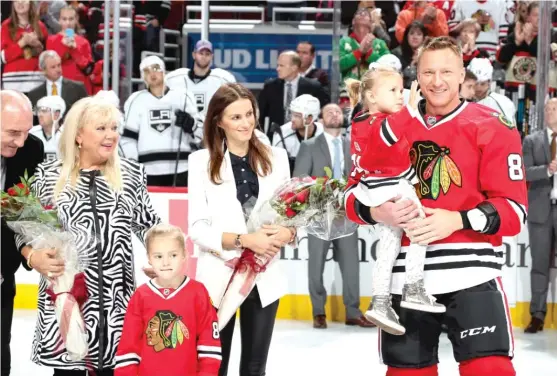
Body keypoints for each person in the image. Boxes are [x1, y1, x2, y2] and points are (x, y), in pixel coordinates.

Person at [345, 36, 526, 376]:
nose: (437, 81)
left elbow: (515, 211)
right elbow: (351, 196)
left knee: (490, 369)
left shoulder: (492, 126)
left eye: (446, 71)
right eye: (428, 72)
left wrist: (457, 220)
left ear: (462, 75)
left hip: (471, 274)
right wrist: (376, 212)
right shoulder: (386, 124)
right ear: (416, 76)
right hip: (402, 279)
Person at [16, 96, 162, 375]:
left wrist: (162, 256)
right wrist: (33, 256)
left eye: (114, 128)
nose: (111, 135)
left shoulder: (130, 175)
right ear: (79, 135)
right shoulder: (48, 176)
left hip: (117, 310)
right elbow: (23, 231)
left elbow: (149, 225)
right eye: (101, 128)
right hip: (66, 305)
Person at [188, 83, 294, 376]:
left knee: (255, 367)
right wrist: (244, 240)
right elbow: (197, 229)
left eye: (249, 114)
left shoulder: (278, 158)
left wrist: (289, 233)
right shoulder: (199, 163)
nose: (246, 122)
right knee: (214, 365)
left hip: (263, 276)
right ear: (218, 121)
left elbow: (292, 216)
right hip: (218, 280)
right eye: (236, 117)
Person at [345, 68, 445, 335]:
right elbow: (387, 135)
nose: (400, 96)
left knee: (389, 245)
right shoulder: (371, 122)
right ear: (371, 96)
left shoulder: (369, 117)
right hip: (386, 187)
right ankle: (412, 288)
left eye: (401, 90)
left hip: (385, 186)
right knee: (421, 229)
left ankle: (380, 301)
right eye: (393, 91)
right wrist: (411, 109)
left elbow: (401, 145)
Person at [293, 103, 375, 329]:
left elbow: (362, 177)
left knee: (351, 266)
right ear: (320, 118)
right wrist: (317, 198)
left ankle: (353, 311)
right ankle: (318, 311)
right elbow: (300, 180)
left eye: (338, 111)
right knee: (316, 264)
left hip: (346, 215)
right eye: (329, 111)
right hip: (319, 215)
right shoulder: (309, 146)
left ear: (343, 117)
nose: (334, 114)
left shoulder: (353, 146)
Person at [115, 224, 221, 375]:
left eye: (173, 255)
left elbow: (210, 347)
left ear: (184, 254)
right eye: (158, 256)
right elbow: (128, 349)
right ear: (149, 258)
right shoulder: (140, 296)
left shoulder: (198, 293)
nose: (165, 262)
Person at [1, 90, 44, 376]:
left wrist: (32, 251)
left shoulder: (31, 149)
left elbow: (22, 212)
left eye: (26, 132)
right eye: (13, 132)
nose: (20, 141)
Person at [121, 55, 202, 187]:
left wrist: (191, 125)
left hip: (181, 170)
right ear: (143, 76)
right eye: (147, 71)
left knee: (179, 208)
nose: (152, 73)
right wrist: (134, 168)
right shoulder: (135, 100)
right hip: (148, 172)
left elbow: (201, 134)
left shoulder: (183, 97)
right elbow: (128, 139)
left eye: (155, 68)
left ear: (163, 71)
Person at [522, 98, 557, 334]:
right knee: (540, 265)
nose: (549, 112)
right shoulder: (531, 140)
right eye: (547, 109)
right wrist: (547, 169)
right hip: (540, 210)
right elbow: (523, 172)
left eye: (554, 108)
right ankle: (537, 314)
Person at [165, 40, 235, 118]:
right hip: (183, 128)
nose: (203, 57)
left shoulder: (222, 79)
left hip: (210, 128)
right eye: (201, 53)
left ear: (212, 56)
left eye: (207, 54)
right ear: (194, 55)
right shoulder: (175, 78)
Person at [467, 57, 516, 125]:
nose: (478, 88)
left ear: (489, 82)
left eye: (482, 84)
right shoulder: (464, 101)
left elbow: (509, 131)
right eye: (476, 84)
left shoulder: (502, 103)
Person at [29, 95, 66, 162]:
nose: (40, 114)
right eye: (38, 111)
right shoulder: (31, 133)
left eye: (44, 111)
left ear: (56, 114)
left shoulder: (68, 135)